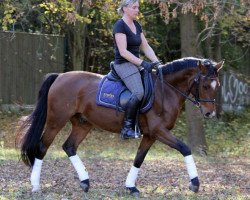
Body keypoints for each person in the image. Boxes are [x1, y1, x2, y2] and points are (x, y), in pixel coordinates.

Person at [113, 0, 160, 139]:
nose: (137, 10)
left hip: (136, 64)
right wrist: (143, 63)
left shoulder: (137, 25)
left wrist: (157, 62)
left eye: (138, 7)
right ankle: (127, 128)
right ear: (125, 8)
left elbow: (145, 47)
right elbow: (123, 52)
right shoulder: (119, 25)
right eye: (134, 7)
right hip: (123, 64)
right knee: (139, 92)